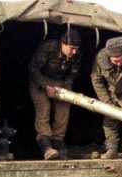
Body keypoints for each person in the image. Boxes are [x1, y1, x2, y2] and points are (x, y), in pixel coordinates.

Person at [28, 29, 82, 160]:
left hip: (60, 83)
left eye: (76, 49)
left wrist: (67, 92)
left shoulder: (76, 55)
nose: (74, 52)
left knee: (63, 112)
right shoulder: (49, 48)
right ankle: (46, 145)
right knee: (44, 109)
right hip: (41, 80)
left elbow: (71, 76)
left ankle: (58, 141)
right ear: (63, 44)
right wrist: (45, 86)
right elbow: (33, 69)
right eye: (72, 48)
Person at [91, 37, 122, 160]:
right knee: (109, 119)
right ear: (109, 57)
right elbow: (97, 80)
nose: (118, 63)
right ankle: (111, 149)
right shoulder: (100, 59)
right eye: (115, 61)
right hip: (109, 93)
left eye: (121, 60)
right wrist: (107, 102)